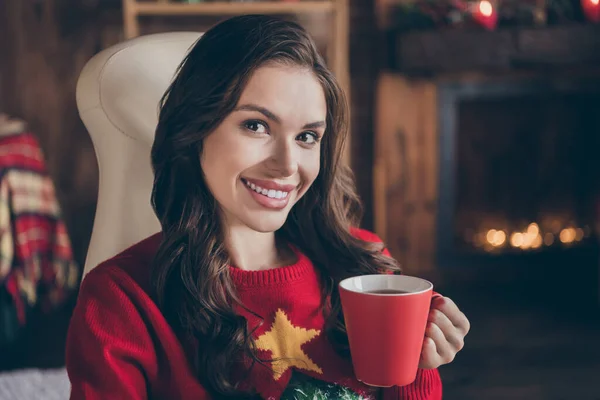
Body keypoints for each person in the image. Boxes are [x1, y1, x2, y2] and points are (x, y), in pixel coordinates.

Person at [66, 15, 470, 400]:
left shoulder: (365, 266)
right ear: (195, 131)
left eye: (307, 136)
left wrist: (419, 365)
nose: (287, 165)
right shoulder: (120, 299)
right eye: (256, 126)